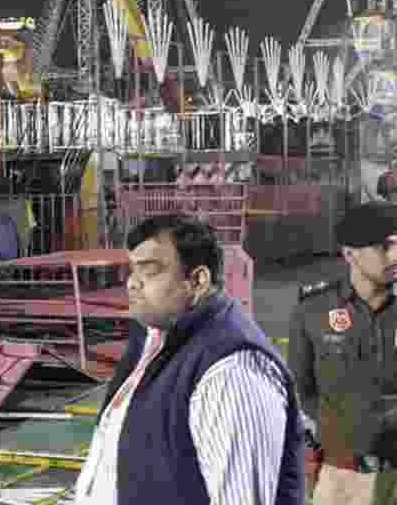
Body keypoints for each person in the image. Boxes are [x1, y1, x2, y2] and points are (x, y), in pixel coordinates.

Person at [70, 214, 304, 505]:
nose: (132, 283)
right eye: (132, 270)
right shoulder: (156, 338)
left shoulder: (231, 370)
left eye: (150, 271)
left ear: (197, 280)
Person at [291, 201, 397, 505]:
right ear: (350, 254)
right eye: (384, 247)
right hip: (343, 474)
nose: (395, 255)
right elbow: (302, 389)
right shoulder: (313, 310)